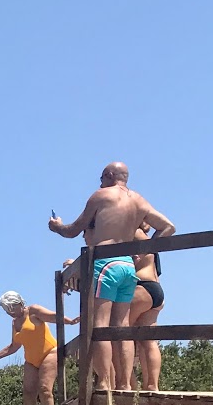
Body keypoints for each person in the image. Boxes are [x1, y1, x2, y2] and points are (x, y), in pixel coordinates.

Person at [49, 162, 175, 393]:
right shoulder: (139, 200)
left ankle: (105, 383)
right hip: (128, 266)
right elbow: (168, 227)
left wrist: (56, 227)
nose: (99, 182)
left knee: (100, 325)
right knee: (122, 326)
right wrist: (145, 251)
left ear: (109, 175)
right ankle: (125, 384)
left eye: (101, 177)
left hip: (106, 263)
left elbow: (73, 230)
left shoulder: (101, 196)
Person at [0, 291, 77, 405]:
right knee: (28, 392)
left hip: (49, 352)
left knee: (44, 389)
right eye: (6, 309)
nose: (10, 312)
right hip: (31, 359)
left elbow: (53, 317)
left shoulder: (33, 310)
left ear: (20, 303)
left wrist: (70, 321)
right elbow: (14, 346)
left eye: (11, 308)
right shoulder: (15, 323)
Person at [130, 226, 165, 391]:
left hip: (140, 287)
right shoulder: (149, 241)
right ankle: (152, 386)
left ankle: (126, 383)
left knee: (119, 334)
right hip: (156, 290)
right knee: (149, 342)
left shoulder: (132, 232)